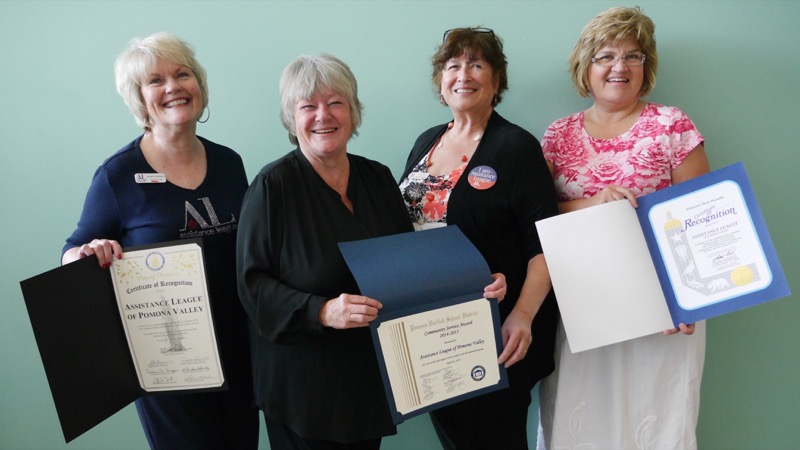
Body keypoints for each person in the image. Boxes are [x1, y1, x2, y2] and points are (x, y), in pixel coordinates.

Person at [61, 32, 259, 449]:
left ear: (198, 84)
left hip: (239, 351)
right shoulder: (117, 175)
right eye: (156, 80)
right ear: (139, 98)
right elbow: (71, 251)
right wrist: (86, 254)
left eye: (182, 74)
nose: (173, 87)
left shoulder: (229, 162)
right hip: (168, 365)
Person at [536, 7, 711, 450]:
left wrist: (688, 300)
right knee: (580, 418)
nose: (620, 67)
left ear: (645, 67)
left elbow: (700, 216)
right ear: (586, 67)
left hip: (664, 304)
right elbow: (536, 215)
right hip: (582, 301)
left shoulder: (671, 124)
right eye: (606, 56)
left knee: (657, 419)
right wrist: (593, 203)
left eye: (633, 56)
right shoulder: (557, 135)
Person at [398, 27, 560, 449]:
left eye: (476, 64)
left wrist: (522, 315)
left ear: (496, 80)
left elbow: (544, 242)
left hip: (495, 329)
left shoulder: (516, 147)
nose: (463, 74)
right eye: (453, 65)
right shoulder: (426, 142)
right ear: (440, 80)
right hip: (431, 330)